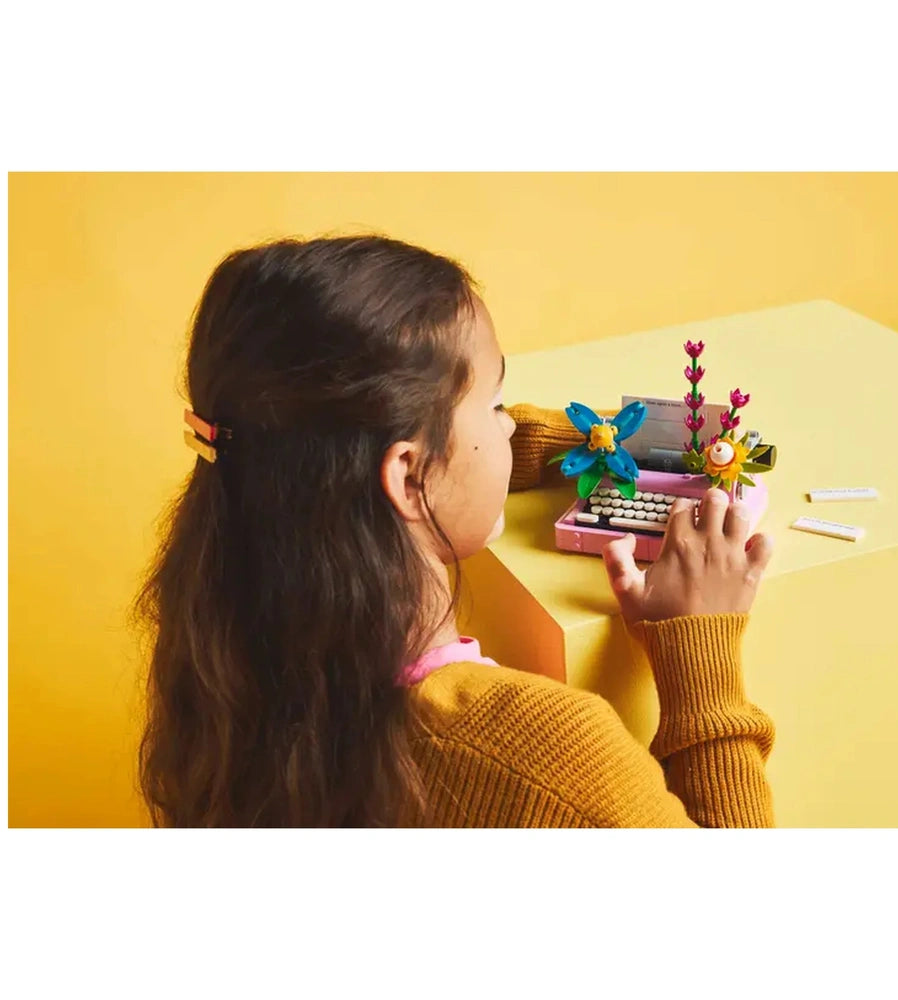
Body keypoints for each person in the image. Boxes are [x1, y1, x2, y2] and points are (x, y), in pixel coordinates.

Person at [133, 235, 776, 828]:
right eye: (496, 405)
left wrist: (590, 443)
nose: (510, 427)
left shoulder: (224, 660)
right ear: (410, 476)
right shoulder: (552, 757)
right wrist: (702, 653)